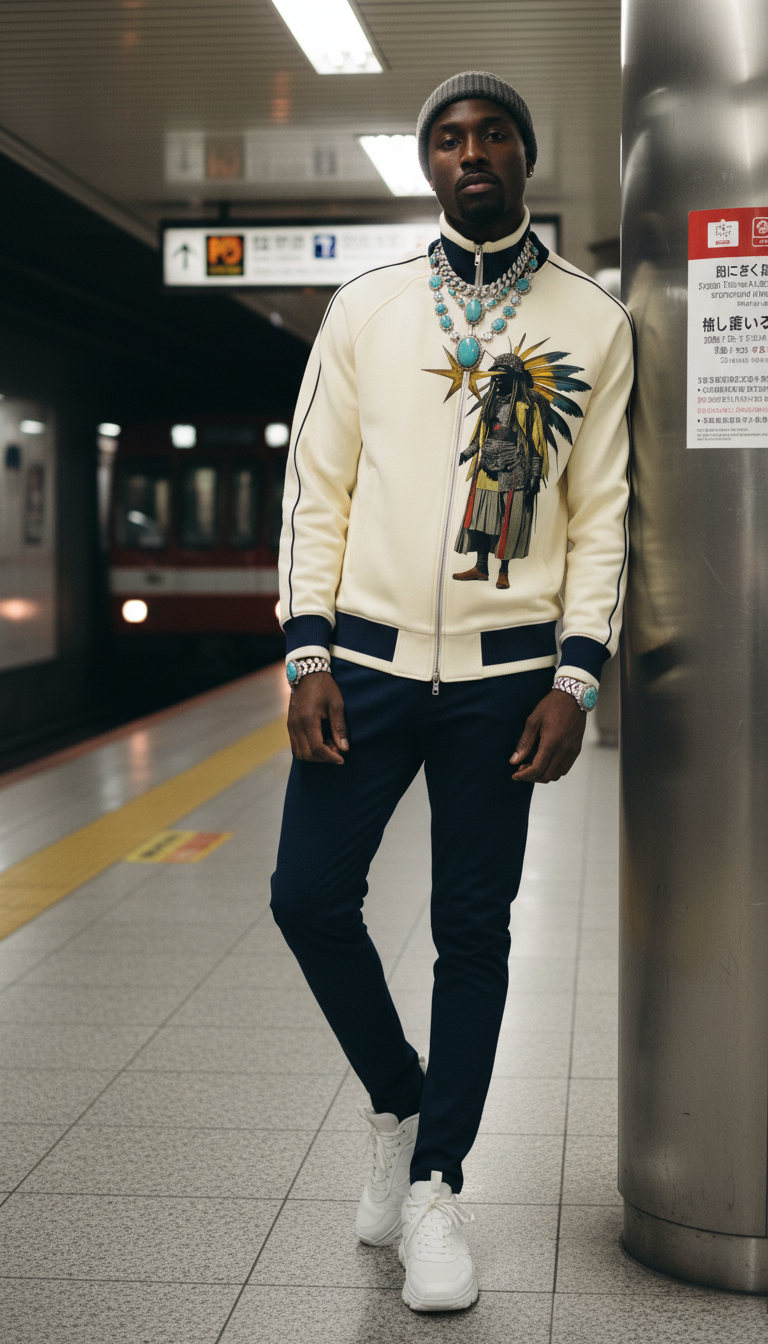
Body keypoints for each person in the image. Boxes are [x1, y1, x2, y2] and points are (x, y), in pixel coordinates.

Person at [270, 70, 633, 1314]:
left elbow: (603, 513)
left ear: (526, 156)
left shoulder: (593, 319)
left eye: (492, 135)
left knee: (473, 931)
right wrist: (308, 653)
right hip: (363, 668)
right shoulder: (366, 307)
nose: (470, 152)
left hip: (505, 680)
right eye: (449, 138)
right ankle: (399, 1099)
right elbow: (317, 492)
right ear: (430, 164)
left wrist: (578, 674)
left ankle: (436, 1186)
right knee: (307, 896)